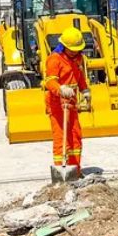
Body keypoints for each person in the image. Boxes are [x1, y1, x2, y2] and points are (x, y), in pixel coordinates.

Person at [43, 27, 89, 170]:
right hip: (57, 104)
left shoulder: (78, 58)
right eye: (72, 49)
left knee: (75, 136)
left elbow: (79, 76)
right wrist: (61, 89)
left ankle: (75, 169)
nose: (75, 51)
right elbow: (50, 82)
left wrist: (85, 90)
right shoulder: (54, 59)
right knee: (61, 139)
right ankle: (61, 168)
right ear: (65, 46)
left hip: (72, 103)